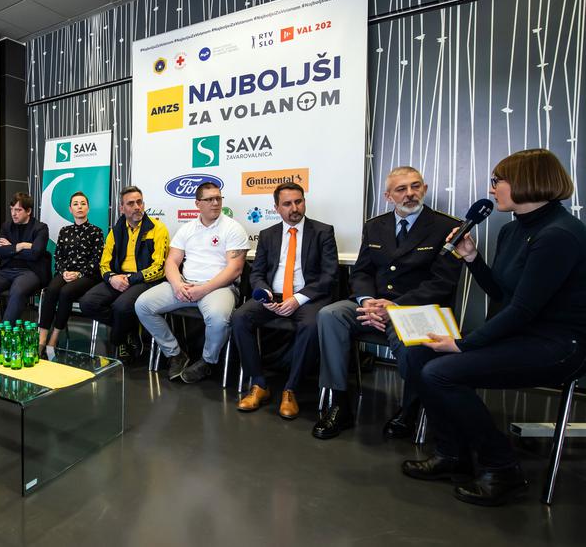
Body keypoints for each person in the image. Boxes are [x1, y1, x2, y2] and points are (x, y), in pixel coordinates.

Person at [400, 149, 586, 506]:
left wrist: (462, 345)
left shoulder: (559, 234)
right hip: (520, 334)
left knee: (441, 372)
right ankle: (452, 455)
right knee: (420, 354)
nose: (491, 189)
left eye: (497, 181)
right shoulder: (513, 229)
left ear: (527, 182)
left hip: (559, 345)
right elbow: (502, 294)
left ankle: (502, 467)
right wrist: (472, 258)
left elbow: (523, 310)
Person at [312, 166, 462, 439]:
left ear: (425, 189)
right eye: (401, 189)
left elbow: (442, 282)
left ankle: (410, 409)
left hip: (417, 308)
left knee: (414, 343)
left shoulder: (447, 227)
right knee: (330, 315)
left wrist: (396, 307)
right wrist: (368, 300)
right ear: (388, 196)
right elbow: (362, 271)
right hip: (374, 305)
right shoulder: (374, 226)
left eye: (416, 186)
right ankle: (339, 403)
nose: (410, 194)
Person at [231, 182, 339, 418]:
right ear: (277, 208)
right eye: (287, 204)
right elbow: (257, 273)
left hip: (307, 298)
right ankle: (259, 384)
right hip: (273, 297)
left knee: (312, 325)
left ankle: (291, 389)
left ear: (304, 202)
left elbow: (329, 276)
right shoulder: (268, 235)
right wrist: (265, 293)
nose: (294, 208)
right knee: (239, 318)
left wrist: (298, 299)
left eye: (298, 202)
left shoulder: (323, 232)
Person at [135, 182, 249, 383]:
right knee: (143, 305)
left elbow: (235, 269)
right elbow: (172, 262)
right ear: (198, 204)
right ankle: (175, 354)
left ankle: (207, 361)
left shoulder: (233, 228)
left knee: (218, 317)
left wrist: (203, 289)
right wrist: (177, 284)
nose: (215, 203)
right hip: (186, 285)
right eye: (209, 199)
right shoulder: (187, 229)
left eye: (218, 198)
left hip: (218, 288)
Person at [78, 186, 169, 361]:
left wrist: (131, 278)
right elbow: (104, 264)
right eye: (131, 203)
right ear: (122, 208)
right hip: (119, 278)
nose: (137, 207)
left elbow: (160, 268)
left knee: (121, 307)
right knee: (87, 303)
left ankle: (118, 341)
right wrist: (111, 278)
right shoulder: (115, 231)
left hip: (145, 280)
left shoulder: (157, 228)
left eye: (139, 202)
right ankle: (129, 329)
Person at [37, 192, 104, 358]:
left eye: (83, 203)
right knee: (51, 290)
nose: (79, 207)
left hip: (87, 275)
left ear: (88, 208)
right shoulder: (65, 231)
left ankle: (54, 339)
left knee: (66, 292)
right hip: (66, 273)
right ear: (70, 209)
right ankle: (41, 339)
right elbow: (58, 256)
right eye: (75, 204)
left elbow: (97, 260)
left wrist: (79, 273)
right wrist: (64, 272)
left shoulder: (96, 231)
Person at [0, 192, 50, 325]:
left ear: (28, 211)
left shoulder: (40, 228)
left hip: (30, 271)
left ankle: (5, 331)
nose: (14, 214)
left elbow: (36, 253)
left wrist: (11, 248)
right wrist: (21, 246)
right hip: (7, 269)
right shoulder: (7, 226)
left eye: (18, 210)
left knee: (17, 292)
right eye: (12, 210)